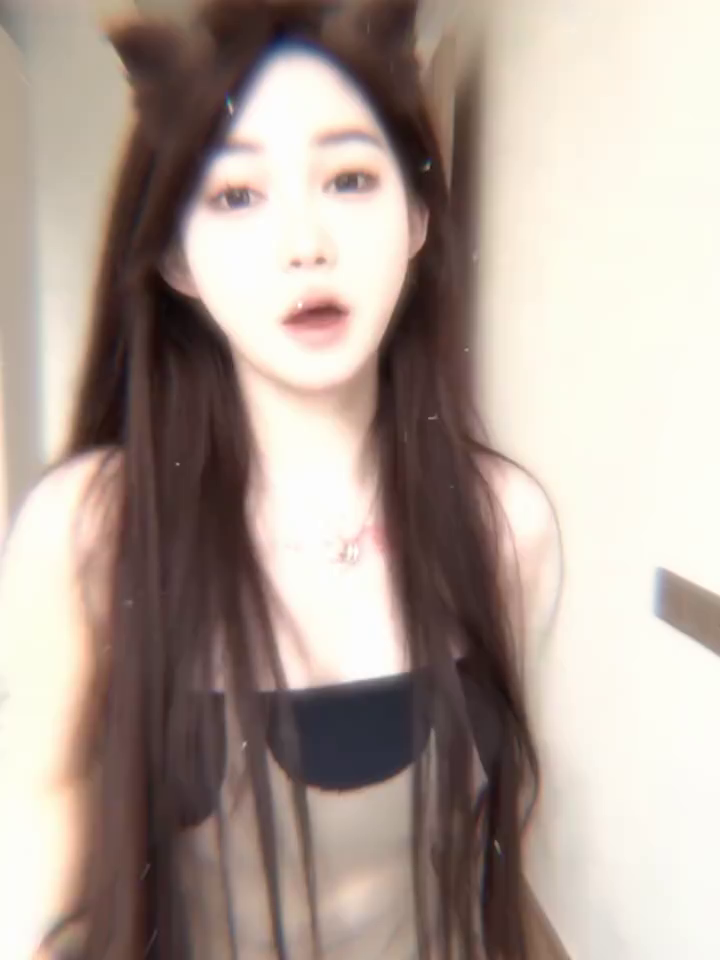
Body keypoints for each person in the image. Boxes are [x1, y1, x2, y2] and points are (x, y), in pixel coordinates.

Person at [0, 1, 561, 958]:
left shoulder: (505, 524)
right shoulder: (92, 526)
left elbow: (494, 841)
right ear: (174, 256)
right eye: (236, 195)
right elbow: (38, 811)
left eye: (349, 179)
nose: (305, 243)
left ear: (417, 218)